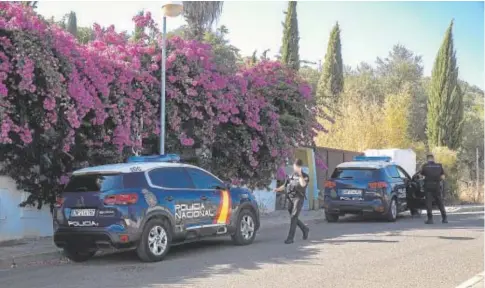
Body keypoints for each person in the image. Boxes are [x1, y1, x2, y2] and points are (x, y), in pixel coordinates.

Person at [273, 159, 310, 244]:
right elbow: (285, 185)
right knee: (294, 217)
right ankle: (305, 229)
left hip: (298, 198)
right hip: (290, 198)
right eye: (294, 166)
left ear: (299, 167)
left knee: (294, 217)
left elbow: (303, 184)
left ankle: (290, 238)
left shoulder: (305, 176)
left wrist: (300, 174)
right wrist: (277, 189)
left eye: (296, 166)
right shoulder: (291, 175)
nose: (295, 167)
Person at [417, 154, 447, 224]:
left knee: (428, 203)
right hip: (436, 186)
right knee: (440, 202)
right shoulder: (439, 166)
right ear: (433, 159)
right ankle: (444, 218)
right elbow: (443, 177)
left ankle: (430, 219)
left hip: (428, 187)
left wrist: (423, 177)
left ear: (427, 159)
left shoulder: (425, 166)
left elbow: (420, 176)